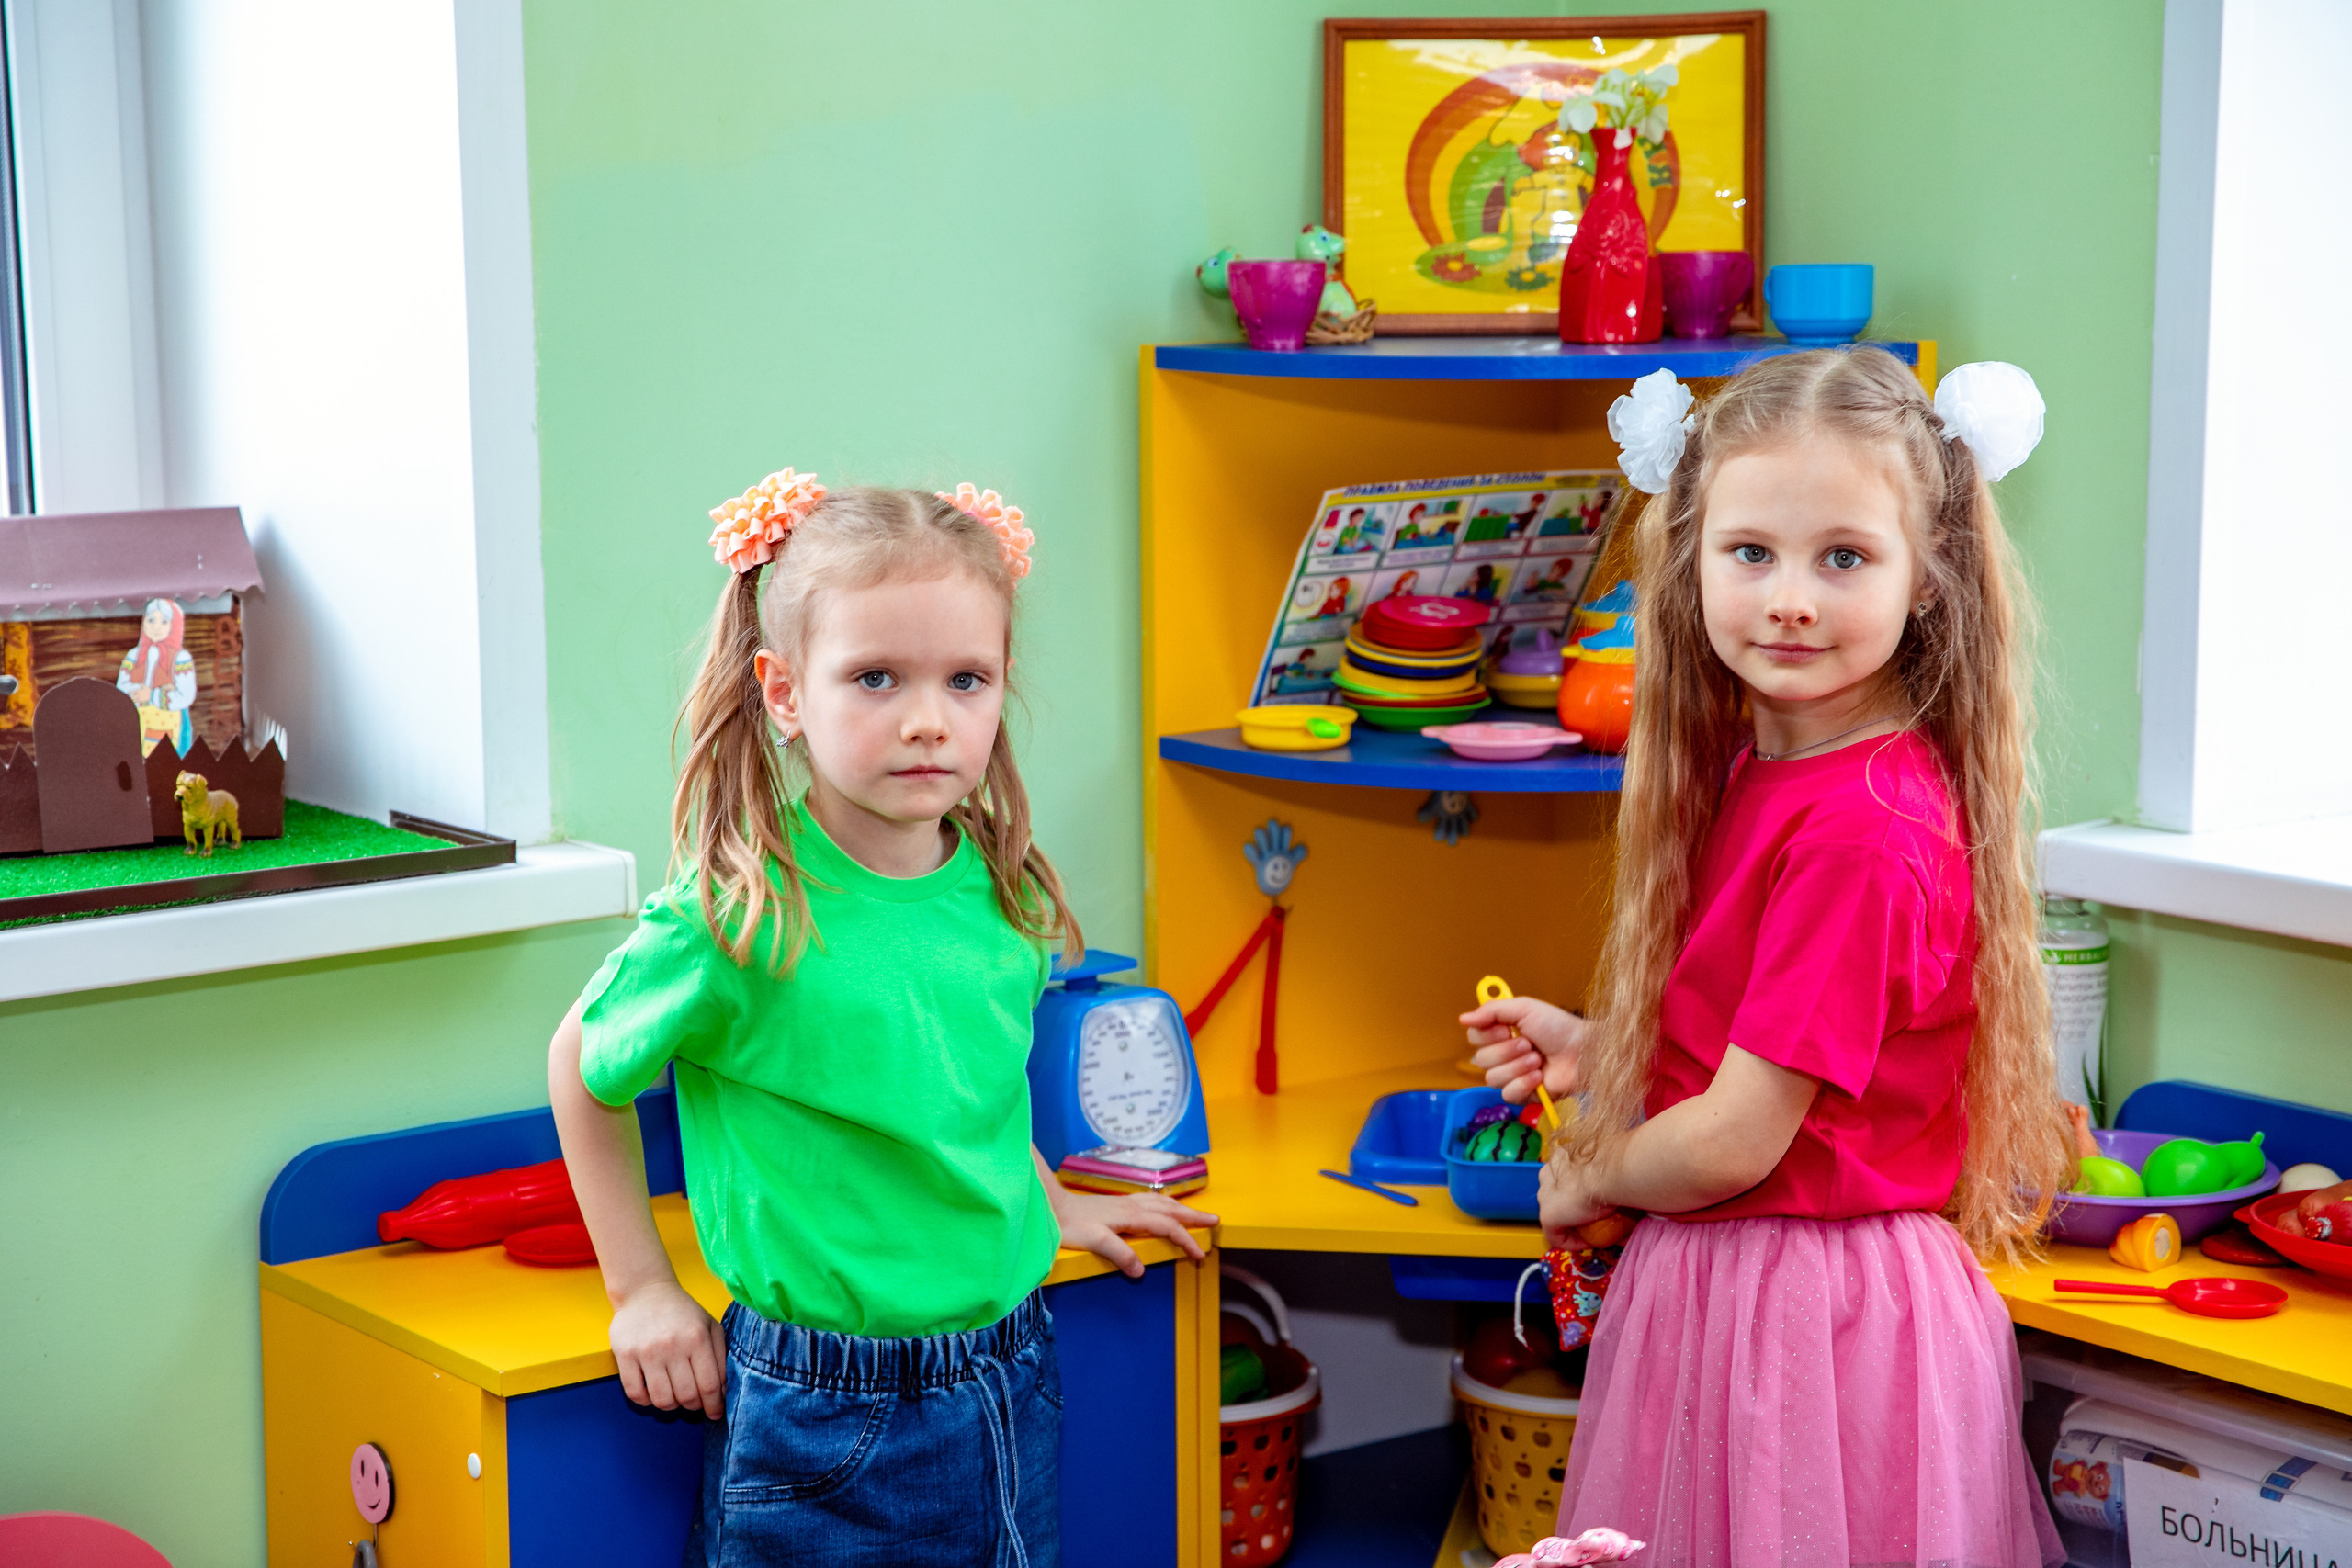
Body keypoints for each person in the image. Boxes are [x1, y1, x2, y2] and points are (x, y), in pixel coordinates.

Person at [1464, 350, 2070, 1568]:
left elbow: (1743, 1136)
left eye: (1843, 556)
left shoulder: (1860, 824)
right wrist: (1607, 1050)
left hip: (1801, 1320)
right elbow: (1766, 1036)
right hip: (1758, 1294)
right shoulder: (1775, 765)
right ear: (1689, 562)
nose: (1790, 597)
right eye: (1752, 552)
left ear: (1931, 574)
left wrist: (1595, 1173)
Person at [549, 469, 1214, 1565]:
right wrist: (641, 1291)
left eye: (966, 680)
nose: (926, 721)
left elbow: (969, 1087)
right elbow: (582, 1066)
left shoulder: (1002, 888)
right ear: (784, 693)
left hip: (1011, 1371)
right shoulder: (737, 915)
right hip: (823, 1413)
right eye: (874, 678)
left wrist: (1051, 1205)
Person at [117, 596, 196, 755]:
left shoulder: (180, 659)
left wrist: (151, 695)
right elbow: (121, 688)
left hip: (167, 722)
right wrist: (153, 691)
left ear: (173, 626)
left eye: (164, 622)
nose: (156, 627)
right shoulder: (134, 655)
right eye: (151, 620)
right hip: (137, 721)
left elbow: (185, 696)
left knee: (164, 763)